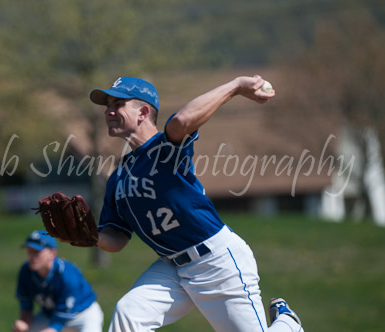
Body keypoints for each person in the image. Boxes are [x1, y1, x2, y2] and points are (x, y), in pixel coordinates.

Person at [89, 76, 304, 332]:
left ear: (143, 112)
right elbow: (117, 238)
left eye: (118, 104)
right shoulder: (118, 176)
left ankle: (288, 324)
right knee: (129, 315)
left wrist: (236, 86)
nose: (108, 111)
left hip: (216, 262)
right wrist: (89, 235)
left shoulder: (164, 149)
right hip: (171, 268)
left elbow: (181, 121)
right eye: (107, 105)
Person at [12, 230, 103, 332]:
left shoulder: (66, 274)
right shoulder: (26, 271)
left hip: (82, 316)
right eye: (29, 250)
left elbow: (61, 318)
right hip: (51, 315)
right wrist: (23, 322)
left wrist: (51, 329)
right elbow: (26, 305)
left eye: (37, 251)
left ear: (52, 253)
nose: (32, 256)